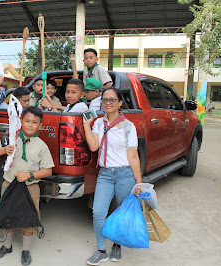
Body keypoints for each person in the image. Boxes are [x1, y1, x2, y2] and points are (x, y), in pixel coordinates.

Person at [82, 87, 142, 265]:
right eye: (105, 100)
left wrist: (139, 182)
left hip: (125, 174)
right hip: (105, 175)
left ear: (119, 103)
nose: (108, 103)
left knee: (120, 213)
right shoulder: (99, 123)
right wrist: (87, 124)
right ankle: (101, 250)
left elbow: (133, 156)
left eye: (112, 100)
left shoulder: (129, 127)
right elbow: (93, 146)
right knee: (98, 212)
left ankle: (117, 245)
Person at [0, 106, 54, 266]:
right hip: (8, 185)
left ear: (40, 125)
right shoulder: (10, 139)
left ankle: (25, 250)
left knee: (29, 218)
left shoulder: (41, 146)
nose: (30, 125)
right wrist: (4, 149)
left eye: (34, 122)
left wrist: (30, 175)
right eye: (27, 121)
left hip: (30, 187)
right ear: (21, 121)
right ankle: (7, 245)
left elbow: (48, 170)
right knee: (7, 215)